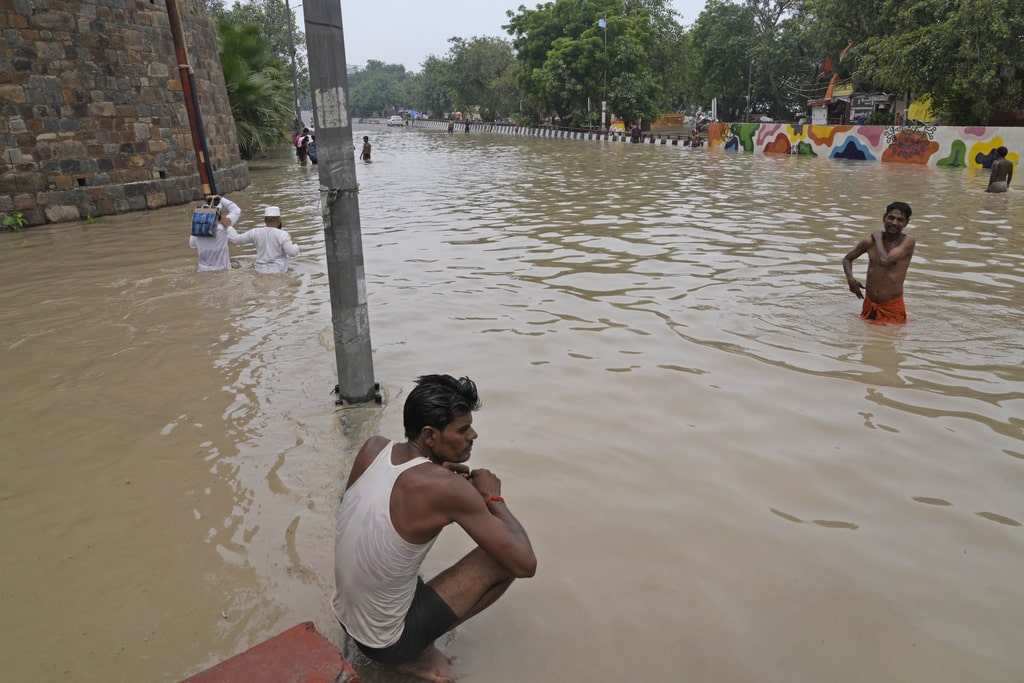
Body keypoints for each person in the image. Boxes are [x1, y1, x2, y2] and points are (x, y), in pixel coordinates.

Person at [333, 374, 536, 683]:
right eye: (463, 429)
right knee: (502, 560)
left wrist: (434, 474)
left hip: (347, 617)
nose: (473, 435)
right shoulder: (447, 488)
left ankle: (408, 638)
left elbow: (364, 514)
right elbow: (525, 563)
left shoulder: (373, 448)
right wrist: (493, 498)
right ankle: (416, 654)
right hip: (387, 643)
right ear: (429, 435)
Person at [842, 201, 916, 324]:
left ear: (906, 223)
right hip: (869, 303)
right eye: (891, 218)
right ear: (884, 218)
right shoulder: (869, 242)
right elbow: (847, 259)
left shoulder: (908, 242)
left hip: (892, 306)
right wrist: (850, 280)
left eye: (900, 220)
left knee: (890, 339)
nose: (894, 223)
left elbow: (885, 260)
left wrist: (877, 239)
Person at [226, 206, 299, 273]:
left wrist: (228, 226)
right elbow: (292, 253)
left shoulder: (255, 232)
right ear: (279, 220)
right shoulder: (283, 234)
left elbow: (237, 239)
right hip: (279, 271)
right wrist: (295, 245)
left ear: (265, 220)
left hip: (260, 271)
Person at [188, 194, 241, 272]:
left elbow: (192, 245)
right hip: (221, 270)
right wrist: (221, 198)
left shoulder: (197, 230)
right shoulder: (223, 227)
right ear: (218, 212)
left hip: (202, 270)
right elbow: (236, 210)